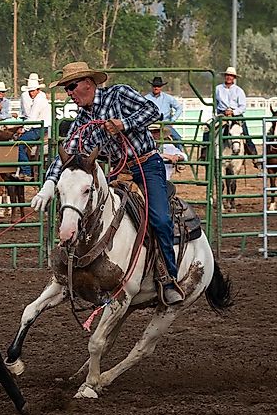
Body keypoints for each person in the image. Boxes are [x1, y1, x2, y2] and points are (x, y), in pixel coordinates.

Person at [30, 61, 184, 307]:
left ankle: (167, 278)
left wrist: (124, 123)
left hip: (147, 165)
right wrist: (50, 183)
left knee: (160, 219)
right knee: (93, 211)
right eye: (66, 89)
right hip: (118, 171)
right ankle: (92, 273)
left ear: (88, 84)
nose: (69, 93)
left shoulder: (119, 95)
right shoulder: (81, 119)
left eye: (71, 87)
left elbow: (154, 112)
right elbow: (68, 152)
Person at [213, 66, 255, 155]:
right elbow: (215, 103)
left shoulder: (239, 91)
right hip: (222, 115)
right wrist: (219, 112)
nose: (229, 77)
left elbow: (243, 107)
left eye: (231, 76)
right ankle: (205, 151)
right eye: (227, 75)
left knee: (245, 132)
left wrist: (233, 112)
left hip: (236, 115)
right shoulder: (218, 89)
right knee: (208, 130)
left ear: (234, 78)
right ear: (225, 76)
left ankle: (253, 153)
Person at [17, 74, 50, 180]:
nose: (31, 93)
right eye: (30, 91)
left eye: (33, 91)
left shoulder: (38, 101)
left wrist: (24, 129)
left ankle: (26, 171)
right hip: (41, 126)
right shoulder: (41, 98)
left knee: (20, 144)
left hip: (38, 128)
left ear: (37, 90)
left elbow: (31, 117)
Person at [145, 76, 183, 145]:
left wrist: (172, 120)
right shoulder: (146, 98)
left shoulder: (168, 98)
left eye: (158, 86)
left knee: (177, 139)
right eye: (154, 86)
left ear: (161, 87)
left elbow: (179, 108)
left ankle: (179, 155)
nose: (156, 88)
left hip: (165, 124)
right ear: (152, 86)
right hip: (150, 125)